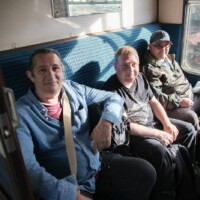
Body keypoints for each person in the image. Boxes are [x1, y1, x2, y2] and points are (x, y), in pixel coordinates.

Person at [15, 48, 156, 200]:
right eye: (43, 69)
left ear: (62, 70)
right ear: (31, 75)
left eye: (55, 68)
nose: (51, 74)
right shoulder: (21, 114)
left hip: (99, 164)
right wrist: (72, 195)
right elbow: (28, 169)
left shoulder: (74, 89)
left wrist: (106, 121)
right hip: (72, 186)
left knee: (146, 172)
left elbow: (114, 98)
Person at [103, 46, 196, 200]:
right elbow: (127, 126)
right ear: (115, 67)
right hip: (135, 136)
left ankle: (185, 171)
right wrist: (158, 134)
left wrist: (166, 124)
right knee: (159, 151)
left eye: (134, 65)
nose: (131, 70)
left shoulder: (140, 77)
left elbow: (154, 102)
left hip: (153, 123)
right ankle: (166, 193)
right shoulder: (111, 90)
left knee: (188, 130)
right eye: (125, 66)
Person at [141, 30, 200, 131]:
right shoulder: (149, 69)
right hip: (173, 106)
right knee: (192, 117)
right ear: (150, 47)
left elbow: (182, 80)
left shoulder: (169, 59)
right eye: (159, 45)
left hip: (189, 95)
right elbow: (156, 96)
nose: (164, 49)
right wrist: (179, 101)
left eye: (167, 45)